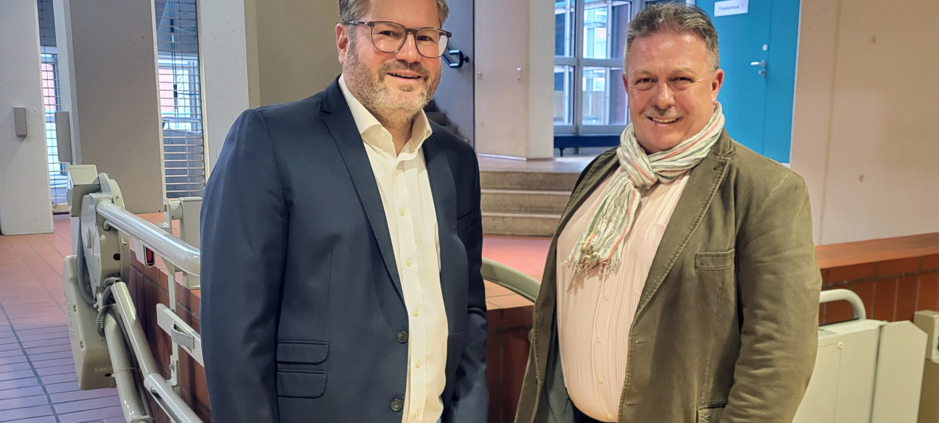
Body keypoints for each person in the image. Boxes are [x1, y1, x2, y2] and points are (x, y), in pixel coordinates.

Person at [515, 3, 822, 422]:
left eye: (680, 80)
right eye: (646, 80)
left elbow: (779, 360)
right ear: (627, 86)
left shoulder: (766, 191)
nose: (662, 99)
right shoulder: (602, 173)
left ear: (714, 84)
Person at [199, 0, 487, 421]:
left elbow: (469, 309)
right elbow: (235, 331)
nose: (410, 54)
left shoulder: (457, 161)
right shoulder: (269, 141)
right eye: (388, 33)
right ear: (343, 41)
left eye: (426, 37)